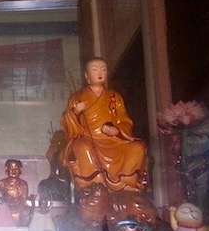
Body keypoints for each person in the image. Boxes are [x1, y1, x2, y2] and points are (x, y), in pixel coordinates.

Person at [60, 57, 147, 192]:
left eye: (103, 70)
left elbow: (125, 120)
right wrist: (75, 112)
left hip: (113, 140)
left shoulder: (115, 97)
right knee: (83, 147)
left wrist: (117, 131)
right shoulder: (77, 98)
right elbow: (66, 123)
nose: (100, 73)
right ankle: (94, 184)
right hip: (88, 138)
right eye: (95, 70)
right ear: (87, 76)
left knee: (137, 147)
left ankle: (126, 183)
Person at [0, 159, 36, 226]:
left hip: (18, 210)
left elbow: (23, 200)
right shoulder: (1, 183)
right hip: (5, 210)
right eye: (11, 168)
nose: (14, 171)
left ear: (20, 170)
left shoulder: (23, 184)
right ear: (6, 169)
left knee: (26, 212)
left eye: (16, 168)